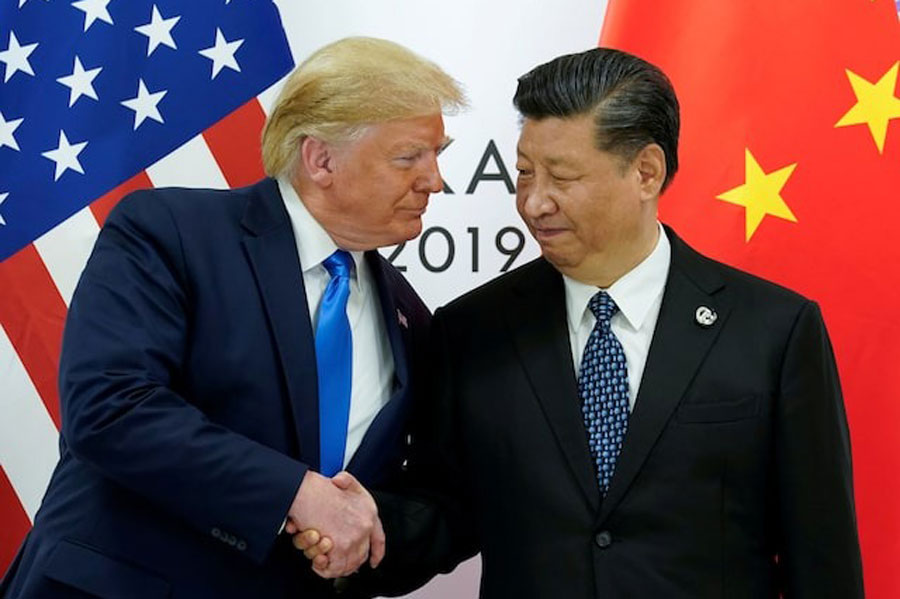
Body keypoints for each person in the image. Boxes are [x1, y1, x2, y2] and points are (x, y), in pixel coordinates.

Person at [299, 47, 864, 598]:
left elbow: (821, 554)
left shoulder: (774, 331)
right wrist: (361, 533)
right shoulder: (472, 331)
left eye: (562, 178)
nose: (534, 203)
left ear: (646, 172)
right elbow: (444, 512)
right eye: (524, 173)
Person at [0, 37, 465, 599]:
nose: (434, 180)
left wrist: (363, 522)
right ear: (321, 159)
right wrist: (296, 493)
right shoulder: (170, 231)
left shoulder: (408, 313)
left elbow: (416, 496)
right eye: (409, 156)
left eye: (438, 155)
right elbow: (109, 406)